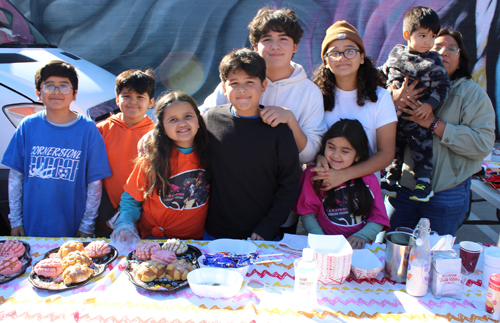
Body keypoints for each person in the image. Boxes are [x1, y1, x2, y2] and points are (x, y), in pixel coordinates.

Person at [386, 27, 495, 235]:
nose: (443, 52)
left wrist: (436, 125)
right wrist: (392, 101)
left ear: (460, 58)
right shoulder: (406, 83)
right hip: (404, 188)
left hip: (447, 191)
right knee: (391, 250)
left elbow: (483, 143)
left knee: (435, 256)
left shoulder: (472, 94)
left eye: (451, 49)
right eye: (437, 46)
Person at [199, 6, 326, 165]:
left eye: (283, 38)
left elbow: (309, 155)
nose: (275, 46)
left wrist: (290, 119)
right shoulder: (237, 83)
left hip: (281, 183)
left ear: (295, 46)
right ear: (255, 47)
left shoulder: (310, 92)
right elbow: (201, 118)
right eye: (267, 39)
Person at [2, 60, 111, 237]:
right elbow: (16, 176)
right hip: (33, 224)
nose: (57, 92)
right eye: (49, 86)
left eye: (64, 86)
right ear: (38, 93)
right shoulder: (27, 126)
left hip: (73, 226)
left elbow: (95, 182)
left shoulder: (87, 129)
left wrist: (87, 224)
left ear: (74, 94)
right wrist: (16, 220)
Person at [203, 48, 301, 241]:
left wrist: (268, 226)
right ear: (223, 87)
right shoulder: (211, 119)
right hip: (213, 234)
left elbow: (290, 184)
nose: (242, 90)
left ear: (263, 85)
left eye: (250, 82)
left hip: (261, 235)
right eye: (234, 83)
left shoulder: (278, 129)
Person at [111, 91, 210, 243]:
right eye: (173, 119)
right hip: (156, 240)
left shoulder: (210, 153)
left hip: (196, 241)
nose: (182, 123)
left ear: (198, 119)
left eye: (188, 116)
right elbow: (131, 199)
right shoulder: (152, 159)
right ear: (162, 126)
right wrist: (126, 224)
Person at [312, 21, 397, 191]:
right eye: (334, 52)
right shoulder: (314, 97)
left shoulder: (380, 97)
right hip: (322, 190)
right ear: (326, 61)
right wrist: (317, 158)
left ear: (361, 56)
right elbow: (310, 144)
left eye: (350, 51)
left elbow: (386, 153)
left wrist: (345, 175)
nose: (342, 58)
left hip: (366, 192)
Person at [379, 6, 450, 202]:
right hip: (394, 116)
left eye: (432, 36)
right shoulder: (396, 54)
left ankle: (424, 183)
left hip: (418, 116)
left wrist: (429, 105)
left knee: (421, 148)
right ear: (407, 35)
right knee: (393, 147)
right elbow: (382, 72)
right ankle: (390, 181)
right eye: (422, 35)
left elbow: (443, 86)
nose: (428, 41)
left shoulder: (434, 61)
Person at [295, 119, 390, 249]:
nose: (336, 155)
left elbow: (378, 217)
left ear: (358, 155)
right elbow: (307, 214)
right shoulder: (313, 175)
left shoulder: (369, 179)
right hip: (322, 247)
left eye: (345, 151)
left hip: (359, 249)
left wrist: (362, 236)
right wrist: (320, 239)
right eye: (331, 147)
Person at [95, 69, 156, 238]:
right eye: (126, 96)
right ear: (117, 99)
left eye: (140, 97)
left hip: (144, 220)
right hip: (104, 218)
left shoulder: (157, 134)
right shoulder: (101, 130)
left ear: (150, 102)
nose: (132, 102)